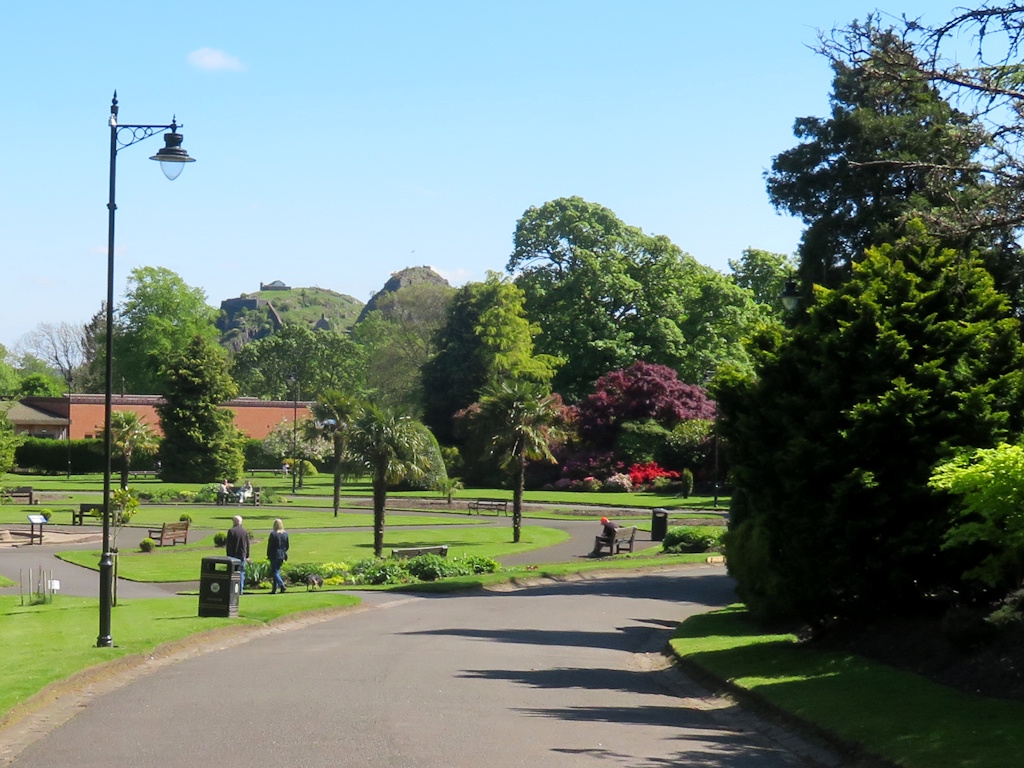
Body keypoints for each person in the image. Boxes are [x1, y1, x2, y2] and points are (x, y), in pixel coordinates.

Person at [225, 515, 250, 593]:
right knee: (241, 572)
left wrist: (228, 555)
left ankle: (232, 589)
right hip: (242, 554)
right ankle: (240, 589)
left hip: (233, 555)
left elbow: (228, 545)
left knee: (232, 573)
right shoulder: (244, 531)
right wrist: (247, 556)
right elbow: (247, 545)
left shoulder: (231, 531)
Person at [266, 518, 290, 594]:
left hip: (274, 554)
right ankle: (274, 589)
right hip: (282, 554)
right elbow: (287, 546)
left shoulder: (273, 534)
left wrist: (268, 554)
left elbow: (270, 546)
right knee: (277, 571)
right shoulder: (285, 534)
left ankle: (281, 585)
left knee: (275, 572)